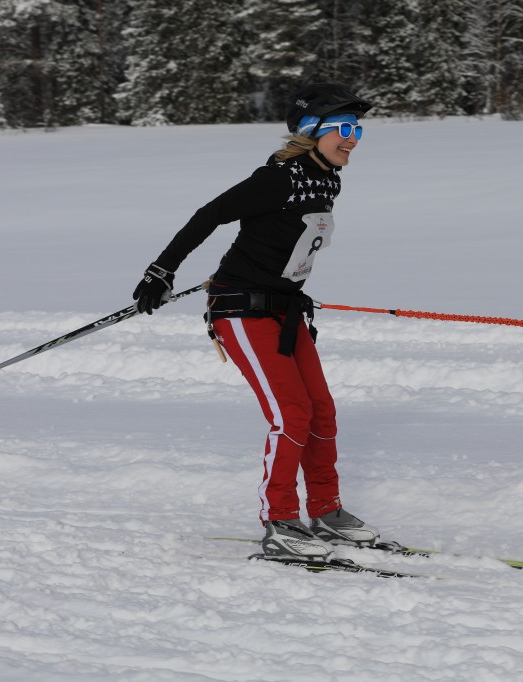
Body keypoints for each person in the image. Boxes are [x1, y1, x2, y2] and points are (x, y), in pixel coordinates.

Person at [132, 83, 380, 562]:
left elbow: (279, 238)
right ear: (313, 132)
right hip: (241, 310)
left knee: (321, 412)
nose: (353, 139)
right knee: (291, 415)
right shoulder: (280, 177)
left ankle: (326, 512)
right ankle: (280, 518)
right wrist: (161, 271)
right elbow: (212, 214)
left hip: (284, 308)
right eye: (344, 129)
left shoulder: (329, 177)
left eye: (358, 130)